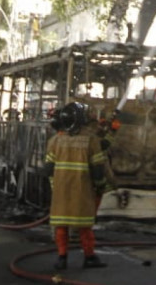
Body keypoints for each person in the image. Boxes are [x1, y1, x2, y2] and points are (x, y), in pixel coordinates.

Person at [44, 101, 111, 270]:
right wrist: (101, 186)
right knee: (84, 225)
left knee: (61, 224)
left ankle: (62, 258)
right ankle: (89, 257)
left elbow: (48, 169)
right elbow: (98, 170)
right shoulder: (91, 140)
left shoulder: (55, 141)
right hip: (83, 189)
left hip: (61, 190)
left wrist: (54, 186)